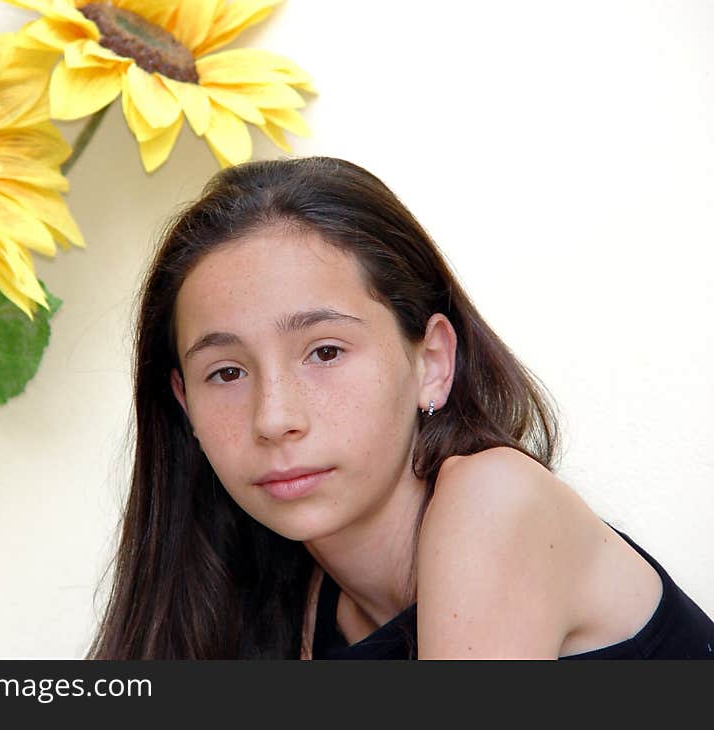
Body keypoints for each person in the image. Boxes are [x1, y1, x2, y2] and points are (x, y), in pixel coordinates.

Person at [86, 156, 714, 659]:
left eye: (325, 352)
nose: (274, 418)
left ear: (432, 361)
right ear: (184, 404)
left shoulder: (495, 500)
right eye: (226, 372)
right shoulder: (268, 597)